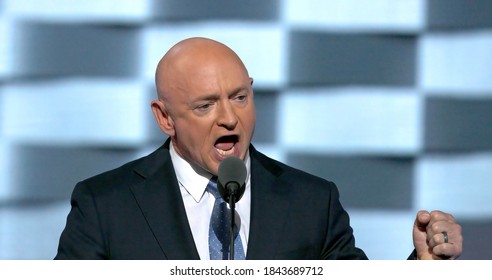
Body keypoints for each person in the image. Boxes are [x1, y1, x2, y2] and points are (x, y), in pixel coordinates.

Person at [55, 37, 462, 260]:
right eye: (205, 105)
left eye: (240, 97)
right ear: (165, 118)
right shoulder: (104, 204)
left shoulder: (312, 201)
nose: (230, 119)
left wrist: (423, 269)